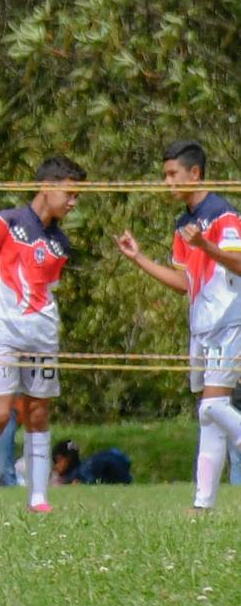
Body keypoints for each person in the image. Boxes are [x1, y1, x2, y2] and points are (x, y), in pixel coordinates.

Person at [116, 139, 241, 511]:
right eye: (164, 175)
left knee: (210, 409)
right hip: (201, 326)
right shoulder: (184, 222)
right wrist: (139, 258)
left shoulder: (223, 214)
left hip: (229, 321)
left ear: (195, 173)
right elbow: (184, 283)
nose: (167, 182)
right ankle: (202, 505)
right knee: (209, 416)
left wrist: (206, 245)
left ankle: (202, 503)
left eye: (172, 174)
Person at [0, 155, 86, 515]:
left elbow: (45, 289)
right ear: (47, 186)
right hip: (2, 333)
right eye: (69, 193)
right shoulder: (7, 221)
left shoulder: (60, 243)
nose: (73, 202)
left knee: (38, 414)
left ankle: (38, 498)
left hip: (42, 336)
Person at [52, 438, 132, 484]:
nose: (55, 466)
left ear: (67, 459)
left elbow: (90, 481)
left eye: (57, 461)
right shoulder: (85, 466)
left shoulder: (82, 471)